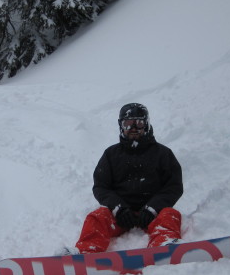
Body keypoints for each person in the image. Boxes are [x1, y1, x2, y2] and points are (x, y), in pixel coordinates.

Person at [74, 103, 184, 253]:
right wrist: (118, 208)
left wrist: (153, 208)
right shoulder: (111, 155)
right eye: (128, 124)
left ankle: (164, 246)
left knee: (170, 215)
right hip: (120, 216)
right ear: (121, 126)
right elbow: (101, 186)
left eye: (138, 123)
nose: (133, 128)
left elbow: (173, 186)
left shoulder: (163, 154)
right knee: (97, 216)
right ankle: (86, 251)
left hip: (153, 214)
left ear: (146, 124)